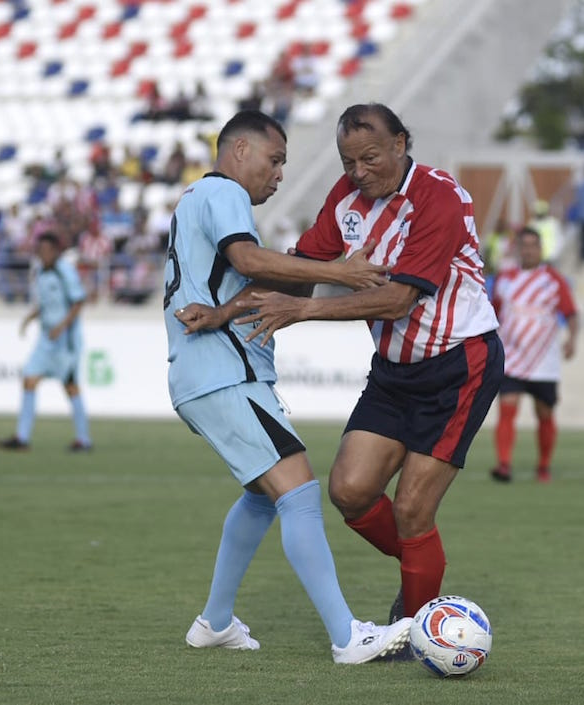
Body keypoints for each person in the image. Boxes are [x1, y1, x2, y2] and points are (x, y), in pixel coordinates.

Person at [206, 103, 504, 625]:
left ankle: (414, 629)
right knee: (349, 490)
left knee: (413, 509)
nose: (359, 173)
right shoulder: (346, 198)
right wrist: (227, 308)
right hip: (394, 370)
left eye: (370, 158)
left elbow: (397, 300)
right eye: (348, 162)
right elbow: (304, 270)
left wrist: (302, 310)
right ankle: (423, 567)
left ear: (400, 144)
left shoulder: (439, 196)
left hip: (459, 364)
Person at [165, 110, 412, 663]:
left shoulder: (195, 202)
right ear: (239, 153)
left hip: (212, 373)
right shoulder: (223, 192)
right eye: (274, 161)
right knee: (298, 490)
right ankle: (348, 637)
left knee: (260, 496)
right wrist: (342, 273)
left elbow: (250, 278)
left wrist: (227, 307)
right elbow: (248, 259)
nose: (278, 175)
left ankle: (216, 622)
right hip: (222, 373)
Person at [489, 227, 578, 484]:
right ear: (518, 249)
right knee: (507, 409)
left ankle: (543, 466)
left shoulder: (553, 280)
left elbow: (571, 313)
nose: (528, 250)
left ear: (540, 249)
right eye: (524, 245)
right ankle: (504, 464)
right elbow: (493, 313)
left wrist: (572, 339)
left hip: (543, 361)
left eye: (533, 245)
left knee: (545, 414)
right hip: (512, 357)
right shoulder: (505, 279)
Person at [0, 232, 92, 452]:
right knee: (29, 380)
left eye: (47, 250)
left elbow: (78, 302)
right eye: (40, 251)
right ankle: (22, 438)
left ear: (56, 251)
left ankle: (84, 439)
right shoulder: (39, 271)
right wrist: (30, 318)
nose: (43, 255)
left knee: (71, 388)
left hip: (65, 341)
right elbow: (46, 304)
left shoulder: (64, 271)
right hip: (45, 339)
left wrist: (61, 326)